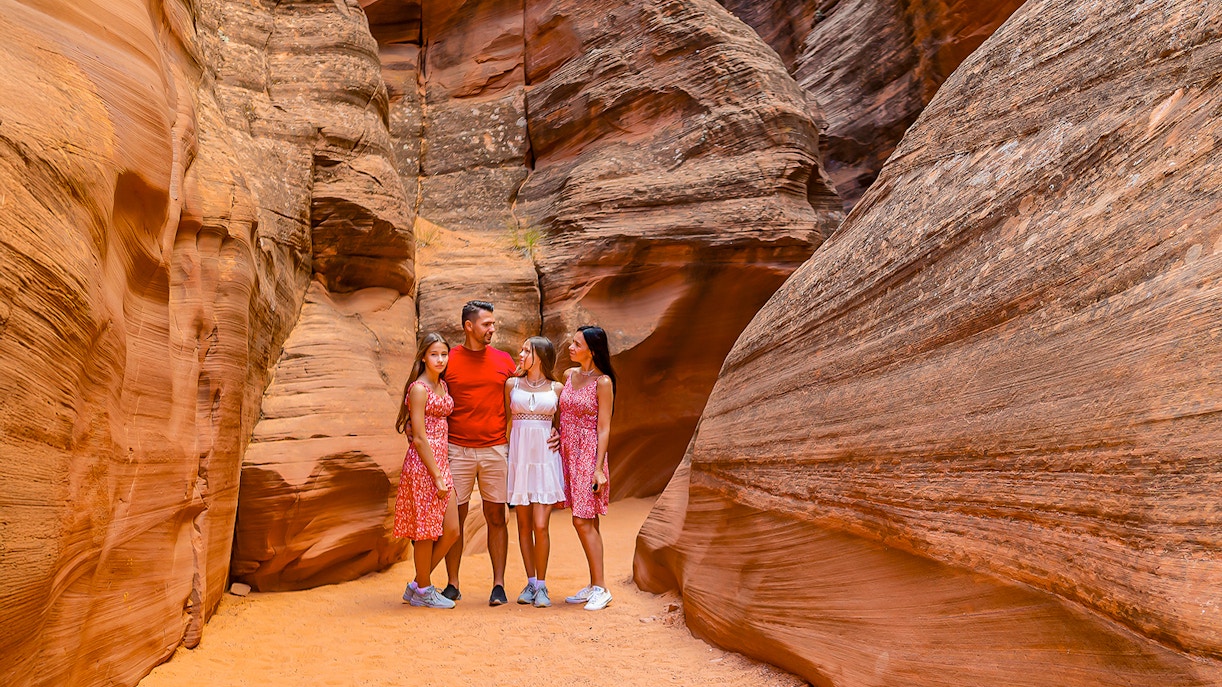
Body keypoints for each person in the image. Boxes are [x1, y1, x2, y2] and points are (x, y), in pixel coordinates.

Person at [442, 300, 517, 606]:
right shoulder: (449, 360)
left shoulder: (503, 360)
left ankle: (498, 584)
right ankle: (452, 583)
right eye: (487, 324)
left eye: (494, 324)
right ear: (469, 326)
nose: (492, 329)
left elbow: (522, 398)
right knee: (456, 518)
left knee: (496, 516)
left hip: (495, 449)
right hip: (457, 449)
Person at [392, 332, 460, 609]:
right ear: (423, 356)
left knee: (452, 530)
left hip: (441, 463)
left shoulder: (441, 384)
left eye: (444, 354)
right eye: (434, 354)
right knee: (425, 531)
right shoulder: (419, 389)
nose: (440, 359)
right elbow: (418, 436)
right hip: (424, 466)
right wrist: (436, 476)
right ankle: (424, 588)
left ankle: (418, 585)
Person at [504, 336, 566, 608]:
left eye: (527, 350)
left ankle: (542, 585)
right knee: (523, 525)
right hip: (519, 459)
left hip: (544, 460)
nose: (521, 354)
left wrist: (560, 435)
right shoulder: (511, 384)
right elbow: (506, 423)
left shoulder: (557, 388)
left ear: (540, 356)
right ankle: (530, 582)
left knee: (541, 525)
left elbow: (564, 425)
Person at [558, 325, 616, 611]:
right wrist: (559, 433)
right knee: (589, 520)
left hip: (589, 453)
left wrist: (598, 468)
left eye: (576, 343)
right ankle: (595, 583)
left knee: (581, 520)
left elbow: (604, 427)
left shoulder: (603, 382)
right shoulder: (569, 375)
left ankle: (602, 588)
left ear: (591, 351)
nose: (570, 346)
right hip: (568, 450)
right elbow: (564, 413)